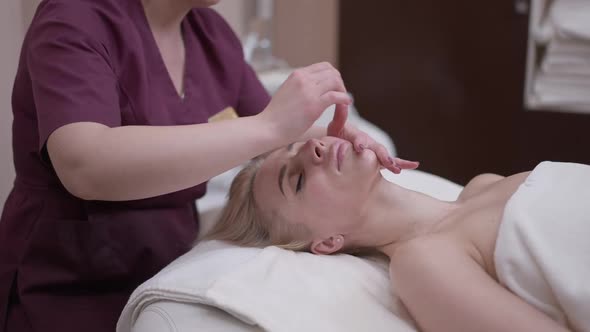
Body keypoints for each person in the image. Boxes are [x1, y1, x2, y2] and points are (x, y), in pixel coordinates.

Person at [0, 1, 414, 331]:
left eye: (300, 175)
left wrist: (341, 136)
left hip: (159, 271)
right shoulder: (76, 18)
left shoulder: (210, 36)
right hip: (65, 287)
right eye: (299, 178)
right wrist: (271, 128)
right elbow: (85, 164)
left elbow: (283, 133)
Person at [206, 136, 578, 332]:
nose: (313, 147)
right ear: (328, 242)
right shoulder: (422, 263)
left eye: (297, 146)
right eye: (298, 180)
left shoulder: (483, 186)